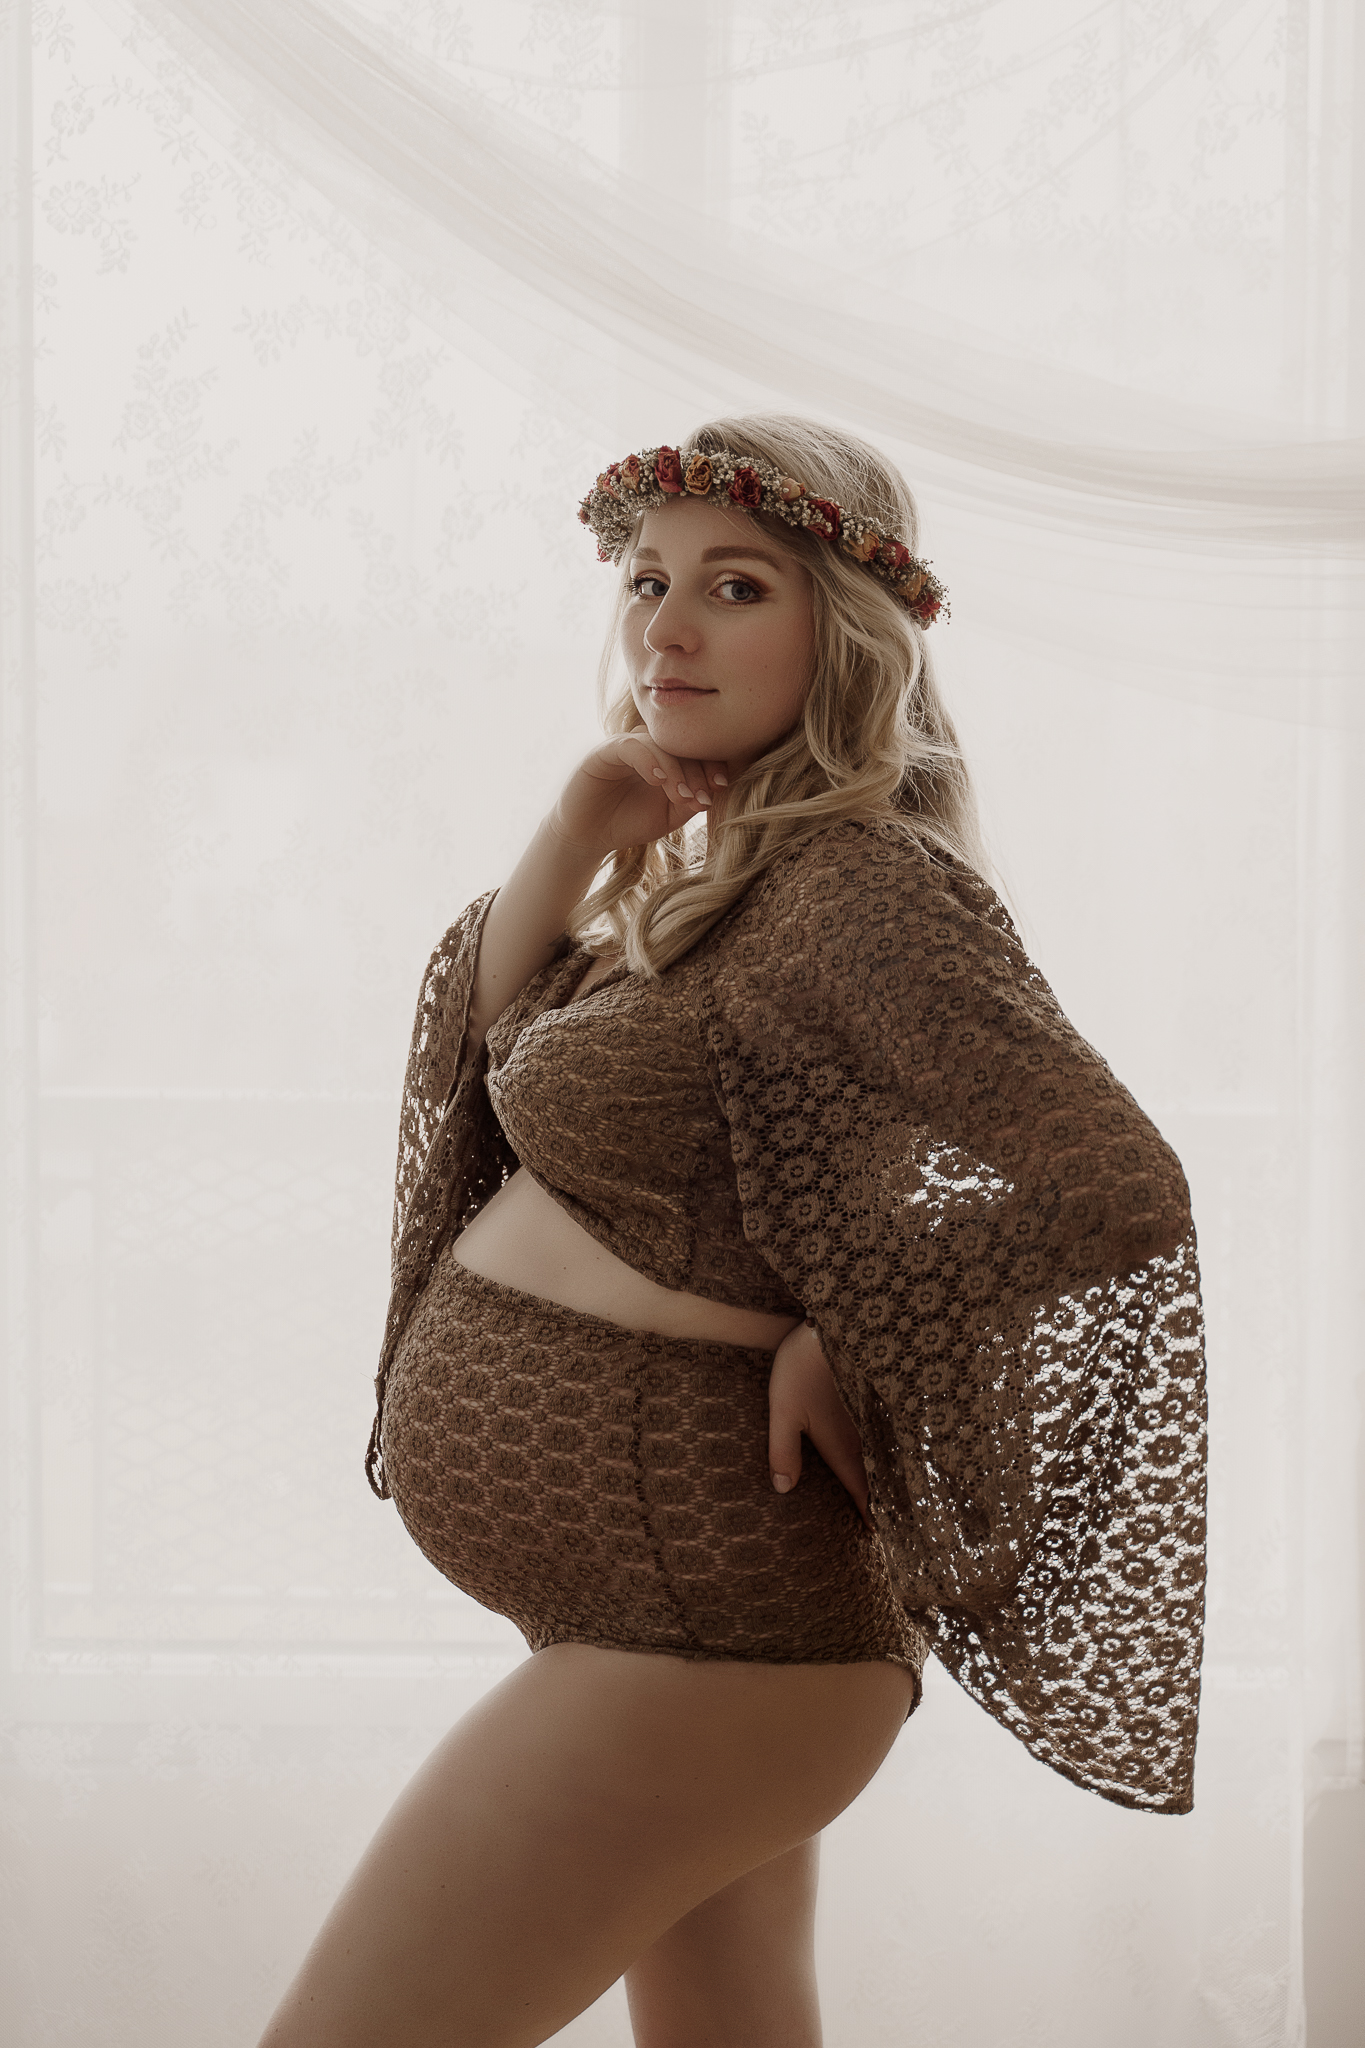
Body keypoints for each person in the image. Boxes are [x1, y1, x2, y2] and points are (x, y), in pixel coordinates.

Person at [259, 415, 1207, 2048]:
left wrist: (862, 1328)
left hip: (708, 1631)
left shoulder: (861, 884)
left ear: (847, 628)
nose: (669, 628)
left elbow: (1108, 1186)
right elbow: (485, 1059)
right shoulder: (726, 877)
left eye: (736, 585)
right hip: (685, 1627)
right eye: (646, 583)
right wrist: (576, 832)